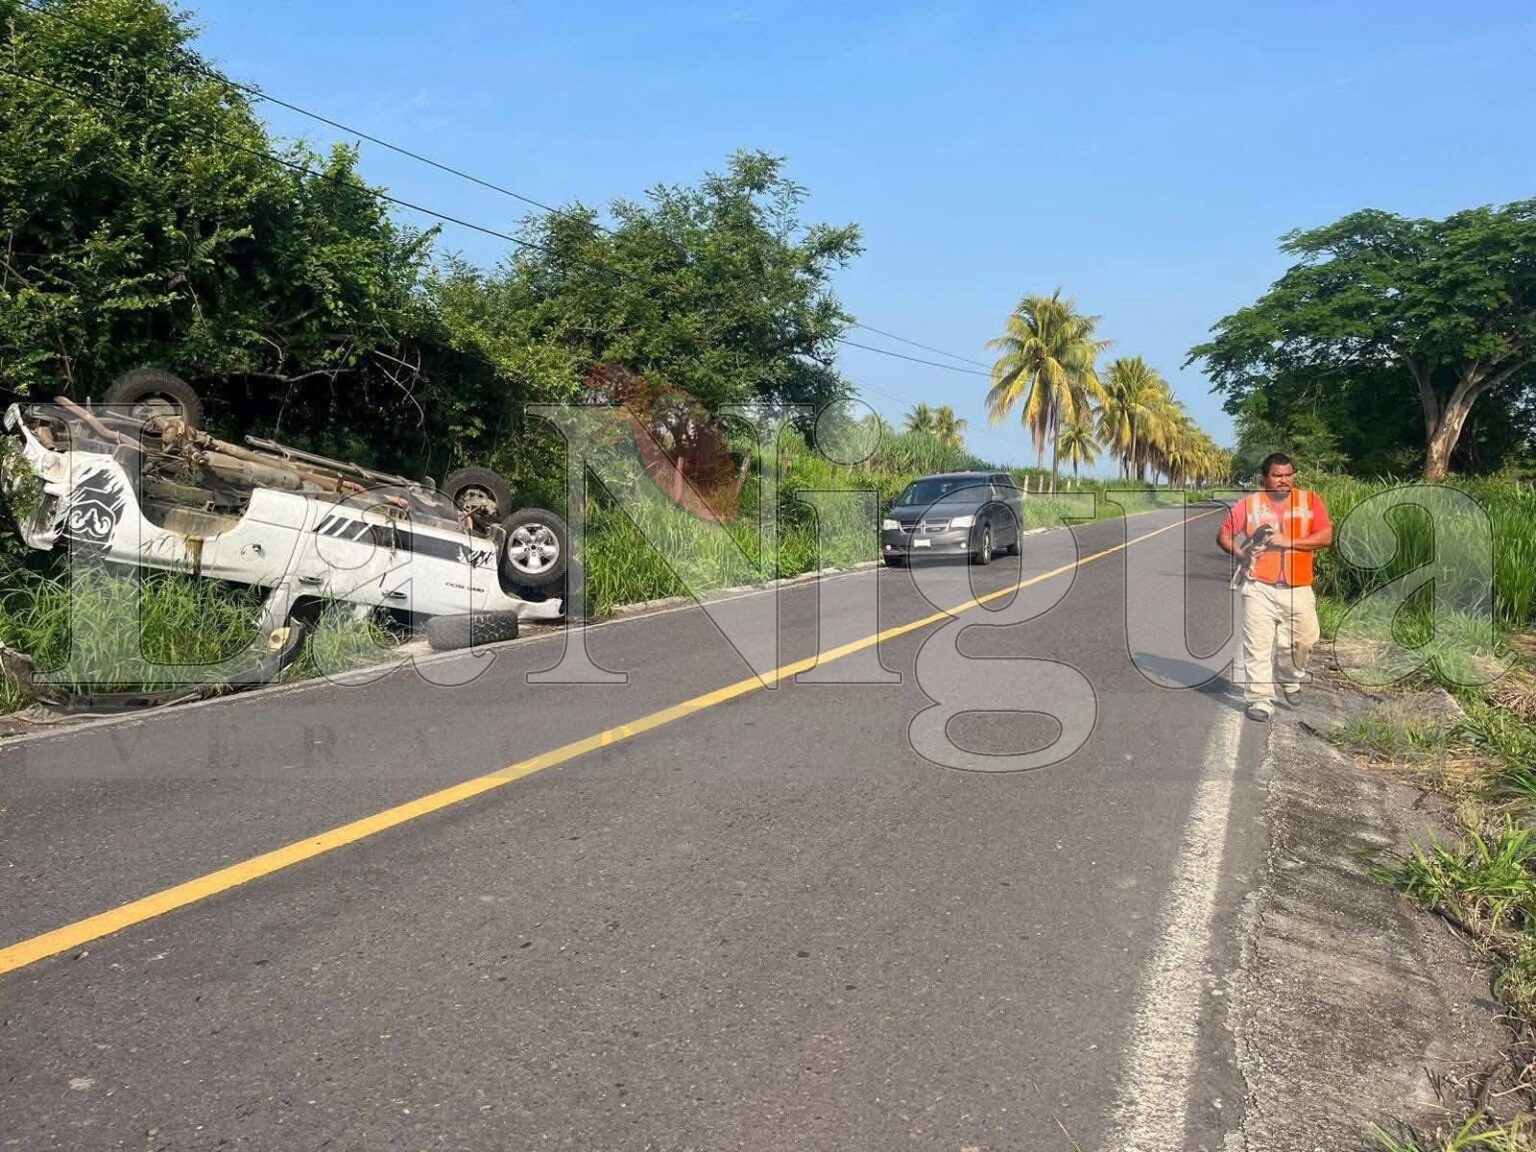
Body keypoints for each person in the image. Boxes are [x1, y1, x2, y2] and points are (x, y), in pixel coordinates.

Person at [1216, 453, 1333, 722]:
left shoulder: (1310, 501)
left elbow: (1326, 536)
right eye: (1277, 476)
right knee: (1257, 646)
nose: (1284, 480)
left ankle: (1290, 678)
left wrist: (1288, 541)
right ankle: (1260, 699)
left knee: (1304, 641)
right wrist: (1242, 555)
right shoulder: (1249, 505)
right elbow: (1223, 536)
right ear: (1265, 477)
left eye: (1288, 475)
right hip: (1259, 586)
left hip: (1298, 586)